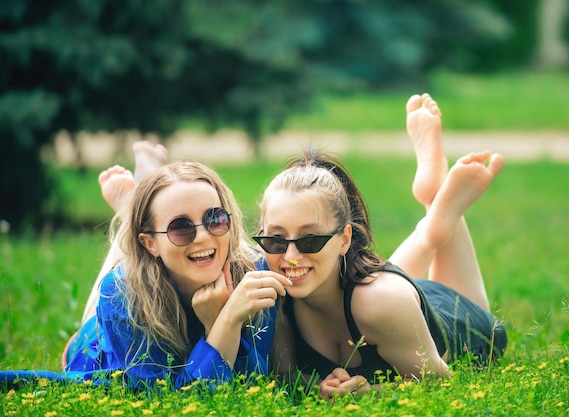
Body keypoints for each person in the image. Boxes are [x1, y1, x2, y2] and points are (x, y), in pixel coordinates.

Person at [258, 93, 507, 398]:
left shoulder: (381, 302)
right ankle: (432, 222)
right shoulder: (271, 297)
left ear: (344, 239)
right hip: (385, 292)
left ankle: (437, 212)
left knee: (378, 298)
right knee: (372, 291)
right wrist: (316, 387)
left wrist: (372, 391)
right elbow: (287, 377)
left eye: (310, 240)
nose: (291, 256)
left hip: (450, 318)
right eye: (276, 239)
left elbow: (442, 382)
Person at [1, 143, 292, 390]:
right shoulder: (120, 296)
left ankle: (136, 202)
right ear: (150, 243)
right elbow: (170, 399)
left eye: (215, 218)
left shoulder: (253, 273)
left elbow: (248, 379)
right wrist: (225, 321)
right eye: (181, 227)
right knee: (122, 274)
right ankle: (132, 206)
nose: (204, 235)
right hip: (101, 345)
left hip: (153, 258)